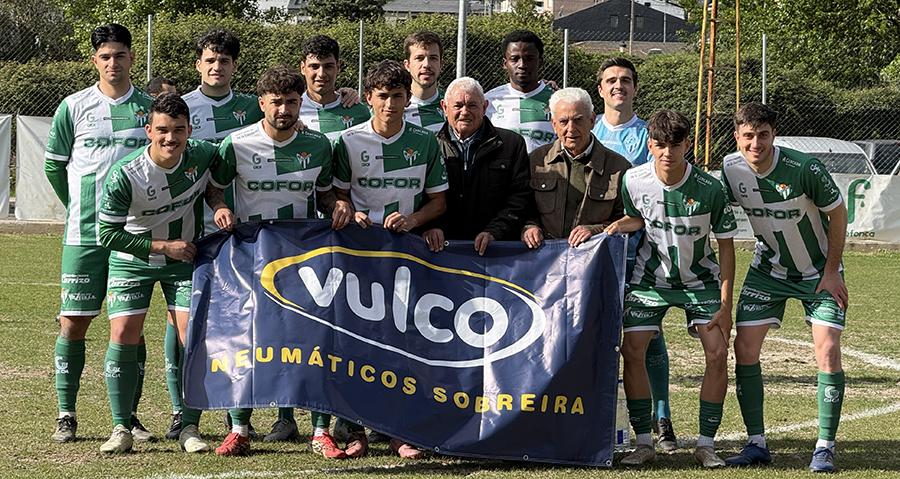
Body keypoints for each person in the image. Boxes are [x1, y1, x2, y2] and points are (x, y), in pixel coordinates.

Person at [205, 65, 351, 458]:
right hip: (250, 254)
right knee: (248, 339)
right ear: (261, 103)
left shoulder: (318, 145)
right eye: (276, 102)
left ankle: (320, 431)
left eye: (291, 102)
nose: (284, 109)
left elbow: (325, 195)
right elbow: (214, 190)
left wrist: (337, 205)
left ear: (300, 103)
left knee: (313, 338)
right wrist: (220, 208)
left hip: (302, 256)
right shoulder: (236, 144)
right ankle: (239, 429)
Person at [721, 102, 848, 473]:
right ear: (737, 137)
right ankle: (756, 443)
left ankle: (825, 446)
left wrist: (832, 271)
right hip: (768, 271)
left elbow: (838, 214)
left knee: (828, 349)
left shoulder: (805, 168)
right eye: (748, 136)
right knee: (744, 347)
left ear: (774, 135)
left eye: (763, 135)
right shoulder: (730, 169)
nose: (755, 144)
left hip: (818, 272)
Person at [606, 109, 737, 468]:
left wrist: (726, 304)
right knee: (632, 350)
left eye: (675, 145)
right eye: (660, 145)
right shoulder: (633, 180)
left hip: (701, 281)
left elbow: (726, 246)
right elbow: (638, 217)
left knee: (717, 353)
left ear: (687, 145)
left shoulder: (711, 188)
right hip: (650, 280)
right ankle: (643, 442)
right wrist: (616, 225)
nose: (667, 153)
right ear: (650, 145)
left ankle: (706, 444)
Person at [44, 23, 155, 444]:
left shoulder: (149, 108)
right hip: (85, 234)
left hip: (133, 233)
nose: (113, 63)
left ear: (132, 58)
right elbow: (55, 166)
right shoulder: (73, 106)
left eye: (120, 55)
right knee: (74, 321)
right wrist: (78, 206)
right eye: (105, 56)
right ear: (95, 60)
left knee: (130, 325)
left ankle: (130, 415)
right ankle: (66, 413)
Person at [332, 60, 448, 459]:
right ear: (368, 98)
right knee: (354, 342)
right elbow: (336, 196)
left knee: (402, 343)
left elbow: (439, 201)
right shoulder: (348, 141)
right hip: (358, 256)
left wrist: (414, 220)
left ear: (407, 98)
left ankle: (400, 431)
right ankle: (353, 430)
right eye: (382, 96)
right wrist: (350, 212)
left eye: (398, 96)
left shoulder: (425, 141)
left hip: (405, 255)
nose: (390, 104)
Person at [96, 92, 217, 454]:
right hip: (133, 260)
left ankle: (189, 426)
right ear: (148, 131)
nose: (170, 138)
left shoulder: (203, 155)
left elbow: (232, 161)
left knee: (191, 336)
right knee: (123, 333)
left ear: (190, 131)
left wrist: (218, 202)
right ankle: (121, 427)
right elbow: (107, 234)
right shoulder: (126, 174)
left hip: (183, 263)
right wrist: (164, 246)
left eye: (178, 130)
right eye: (162, 130)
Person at [593, 57, 676, 452]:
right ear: (600, 89)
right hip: (596, 253)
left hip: (641, 252)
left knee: (648, 334)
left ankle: (663, 418)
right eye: (611, 80)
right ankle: (601, 416)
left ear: (635, 88)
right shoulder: (588, 129)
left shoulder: (649, 136)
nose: (618, 86)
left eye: (625, 80)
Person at [422, 76, 531, 254]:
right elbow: (422, 197)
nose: (465, 112)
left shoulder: (512, 144)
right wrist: (433, 227)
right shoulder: (429, 146)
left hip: (495, 250)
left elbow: (520, 197)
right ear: (444, 107)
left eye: (472, 105)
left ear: (485, 107)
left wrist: (494, 232)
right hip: (442, 252)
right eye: (458, 105)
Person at [522, 87, 631, 249]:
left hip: (593, 259)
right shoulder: (536, 162)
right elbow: (521, 206)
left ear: (592, 120)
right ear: (554, 125)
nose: (571, 129)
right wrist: (529, 226)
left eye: (578, 120)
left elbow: (629, 220)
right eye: (563, 122)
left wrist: (596, 230)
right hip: (545, 257)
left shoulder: (618, 168)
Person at [485, 30, 556, 153]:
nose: (522, 65)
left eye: (529, 58)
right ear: (505, 63)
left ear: (540, 62)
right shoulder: (489, 101)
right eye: (514, 59)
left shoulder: (557, 100)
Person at [298, 35, 371, 143]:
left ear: (338, 67)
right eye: (314, 66)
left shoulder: (359, 112)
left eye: (328, 66)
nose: (321, 74)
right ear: (303, 68)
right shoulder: (291, 112)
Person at [402, 31, 445, 133]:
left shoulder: (451, 105)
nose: (426, 64)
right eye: (419, 58)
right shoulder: (392, 105)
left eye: (433, 58)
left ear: (441, 65)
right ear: (407, 65)